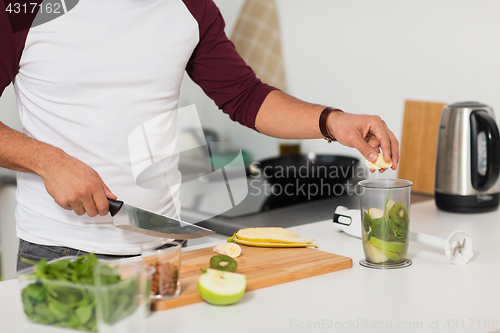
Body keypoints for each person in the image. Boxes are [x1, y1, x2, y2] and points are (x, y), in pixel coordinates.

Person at [0, 0, 398, 271]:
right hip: (59, 253)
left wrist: (333, 122)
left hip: (162, 251)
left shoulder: (191, 6)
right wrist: (46, 160)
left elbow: (244, 95)